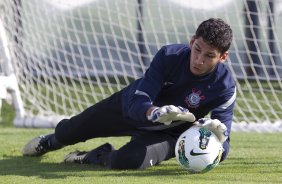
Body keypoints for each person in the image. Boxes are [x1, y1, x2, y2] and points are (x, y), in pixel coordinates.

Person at [22, 18, 236, 170]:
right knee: (71, 130)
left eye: (209, 56)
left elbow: (223, 149)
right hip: (128, 108)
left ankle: (94, 156)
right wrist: (154, 112)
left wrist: (217, 137)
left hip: (167, 135)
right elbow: (138, 101)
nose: (199, 60)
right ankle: (50, 142)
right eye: (197, 49)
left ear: (223, 57)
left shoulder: (225, 87)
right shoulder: (168, 56)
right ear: (191, 42)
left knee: (127, 161)